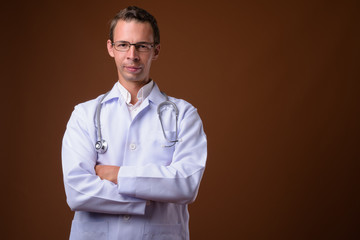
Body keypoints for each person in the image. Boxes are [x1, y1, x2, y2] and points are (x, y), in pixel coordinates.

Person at [61, 6, 207, 240]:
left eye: (142, 46)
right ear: (111, 48)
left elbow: (186, 184)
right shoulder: (84, 114)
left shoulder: (184, 114)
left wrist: (116, 174)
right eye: (123, 45)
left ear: (156, 51)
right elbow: (77, 192)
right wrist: (148, 195)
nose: (132, 55)